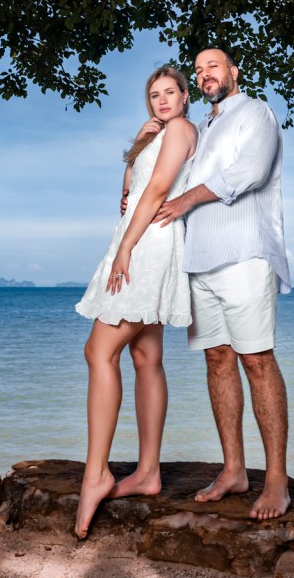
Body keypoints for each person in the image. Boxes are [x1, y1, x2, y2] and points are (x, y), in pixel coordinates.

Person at [154, 46, 292, 521]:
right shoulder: (204, 127)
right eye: (198, 69)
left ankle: (275, 481)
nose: (205, 73)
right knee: (217, 360)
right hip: (200, 259)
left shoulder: (256, 111)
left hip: (245, 254)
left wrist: (187, 199)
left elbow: (249, 173)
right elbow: (168, 179)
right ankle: (234, 469)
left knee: (256, 360)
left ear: (234, 71)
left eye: (213, 65)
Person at [72, 65, 198, 539]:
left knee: (98, 351)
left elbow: (159, 190)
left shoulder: (184, 128)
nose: (162, 101)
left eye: (170, 92)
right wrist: (136, 147)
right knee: (146, 356)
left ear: (185, 97)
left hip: (147, 244)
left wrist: (126, 247)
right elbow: (127, 194)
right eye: (154, 95)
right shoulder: (160, 134)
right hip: (145, 238)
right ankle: (147, 473)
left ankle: (97, 474)